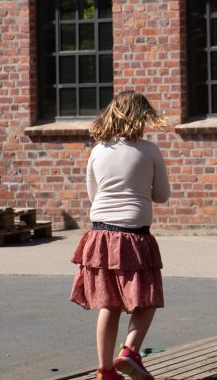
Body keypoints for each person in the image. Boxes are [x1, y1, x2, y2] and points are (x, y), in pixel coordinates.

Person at [70, 91, 170, 380]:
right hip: (135, 235)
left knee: (109, 304)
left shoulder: (98, 150)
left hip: (99, 235)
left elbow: (94, 194)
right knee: (147, 299)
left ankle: (105, 370)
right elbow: (162, 195)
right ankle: (130, 353)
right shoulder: (149, 150)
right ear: (142, 117)